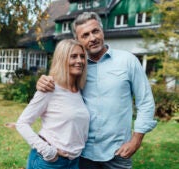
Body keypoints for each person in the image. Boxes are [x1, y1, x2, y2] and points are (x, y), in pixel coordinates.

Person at [36, 12, 157, 169]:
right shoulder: (76, 66)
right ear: (78, 41)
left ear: (102, 30)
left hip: (118, 153)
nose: (92, 38)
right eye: (85, 35)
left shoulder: (128, 61)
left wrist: (136, 140)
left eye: (95, 31)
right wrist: (43, 82)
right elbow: (58, 91)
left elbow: (146, 102)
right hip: (83, 153)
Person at [16, 39, 90, 169]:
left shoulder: (79, 91)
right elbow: (22, 123)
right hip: (50, 162)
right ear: (62, 59)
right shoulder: (49, 88)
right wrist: (49, 152)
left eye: (82, 56)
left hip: (73, 162)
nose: (79, 61)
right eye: (73, 56)